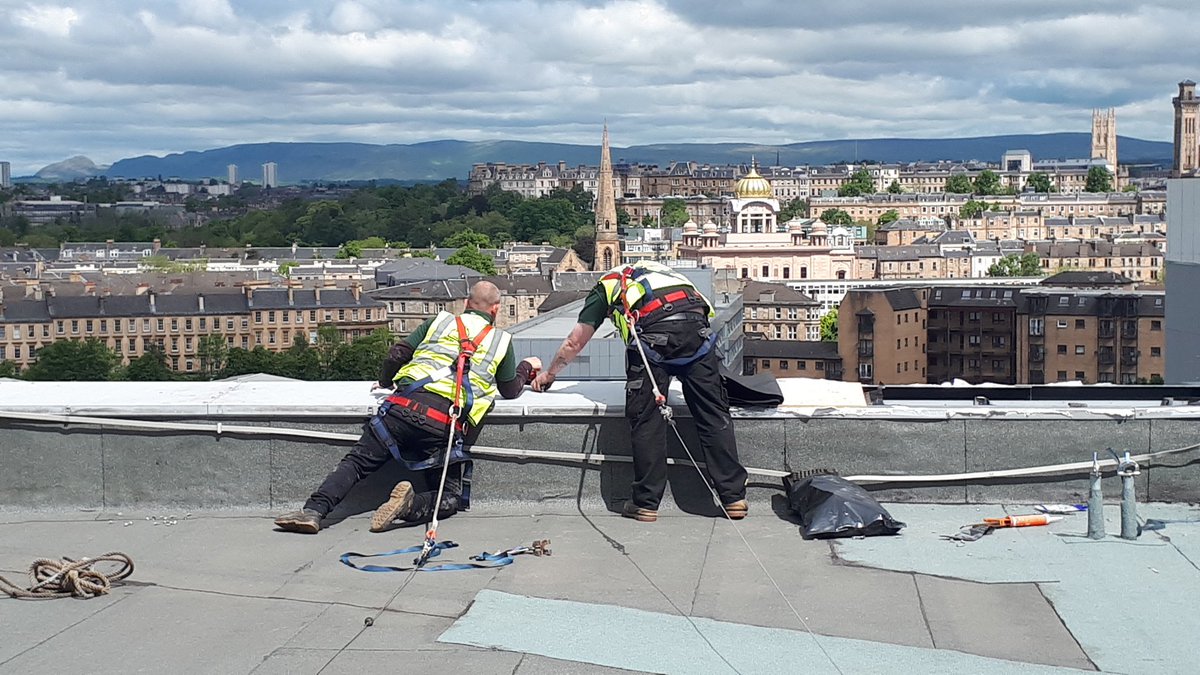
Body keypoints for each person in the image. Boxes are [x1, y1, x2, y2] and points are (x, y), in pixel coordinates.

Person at [274, 281, 540, 534]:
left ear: (467, 303)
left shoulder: (440, 320)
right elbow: (510, 390)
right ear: (496, 309)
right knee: (450, 496)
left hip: (401, 409)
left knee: (356, 463)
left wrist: (384, 381)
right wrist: (527, 368)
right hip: (442, 424)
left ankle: (313, 511)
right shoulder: (500, 340)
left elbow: (397, 355)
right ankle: (410, 506)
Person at [531, 261, 748, 523]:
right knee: (714, 415)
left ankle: (646, 503)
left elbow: (575, 341)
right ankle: (734, 497)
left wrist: (550, 373)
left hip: (653, 340)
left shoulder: (608, 285)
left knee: (647, 420)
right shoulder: (669, 275)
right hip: (697, 334)